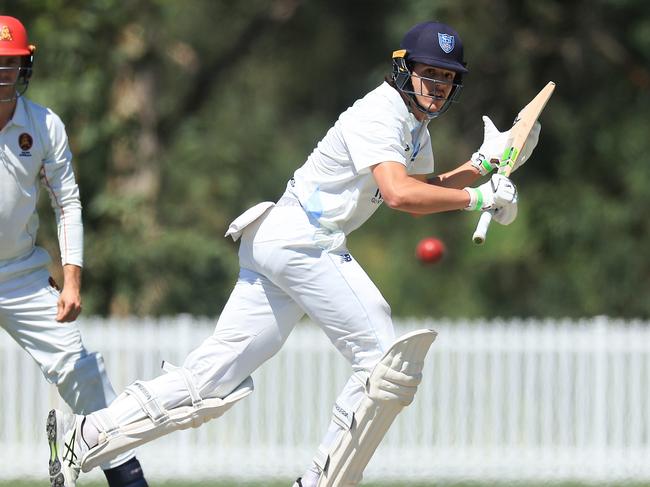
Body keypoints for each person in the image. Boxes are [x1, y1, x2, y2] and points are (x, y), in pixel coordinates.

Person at [47, 20, 540, 487]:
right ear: (403, 69)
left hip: (281, 239)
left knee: (210, 380)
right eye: (428, 72)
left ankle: (84, 439)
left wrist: (480, 167)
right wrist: (478, 200)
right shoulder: (380, 112)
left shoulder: (414, 130)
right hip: (304, 239)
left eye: (447, 78)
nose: (436, 84)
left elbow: (420, 189)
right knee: (383, 361)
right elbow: (397, 195)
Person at [0, 15, 149, 487]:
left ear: (25, 66)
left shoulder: (43, 125)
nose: (4, 72)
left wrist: (72, 279)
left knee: (82, 368)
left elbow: (67, 202)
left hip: (21, 274)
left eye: (12, 62)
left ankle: (126, 476)